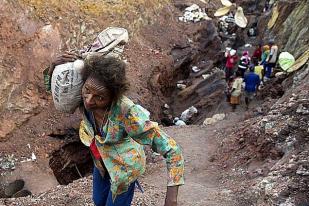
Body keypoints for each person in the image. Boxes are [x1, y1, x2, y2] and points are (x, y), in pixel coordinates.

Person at [47, 54, 184, 206]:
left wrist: (171, 198)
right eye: (87, 90)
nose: (89, 100)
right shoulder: (83, 94)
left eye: (100, 98)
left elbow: (172, 150)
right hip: (102, 162)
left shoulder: (126, 113)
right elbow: (59, 93)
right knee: (98, 201)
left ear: (113, 98)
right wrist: (54, 68)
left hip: (124, 169)